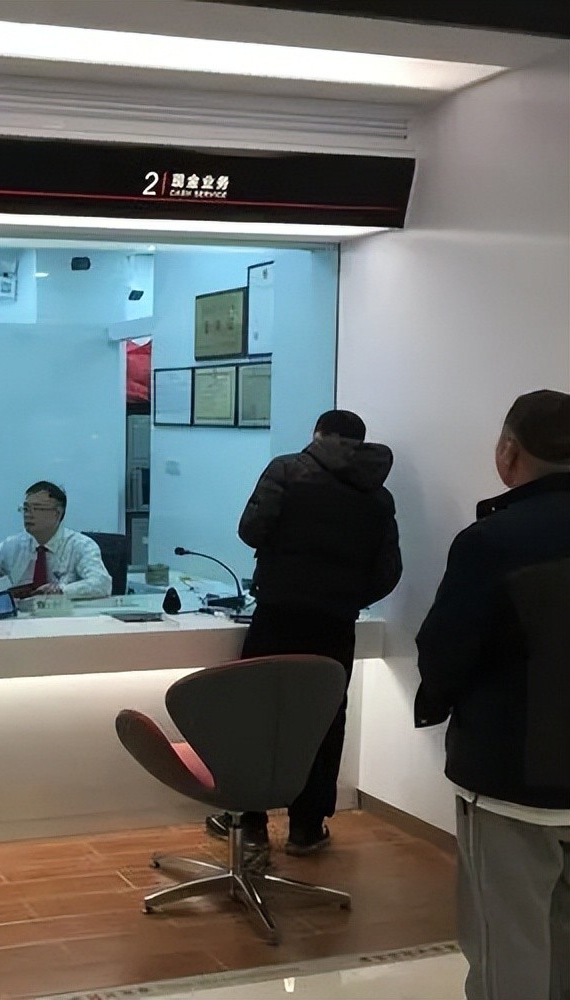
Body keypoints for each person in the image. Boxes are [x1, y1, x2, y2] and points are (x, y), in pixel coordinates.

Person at [415, 390, 570, 1000]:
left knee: (508, 947)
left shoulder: (491, 541)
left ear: (508, 453)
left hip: (511, 779)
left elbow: (446, 652)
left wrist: (439, 700)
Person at [206, 410, 402, 865]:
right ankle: (307, 827)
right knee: (324, 721)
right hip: (336, 625)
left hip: (277, 615)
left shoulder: (286, 471)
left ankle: (251, 823)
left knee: (258, 716)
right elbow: (388, 571)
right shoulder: (378, 494)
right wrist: (345, 598)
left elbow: (250, 530)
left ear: (317, 434)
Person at [0, 481, 111, 600]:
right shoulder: (13, 545)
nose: (28, 514)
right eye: (26, 508)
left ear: (57, 513)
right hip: (22, 617)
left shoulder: (80, 545)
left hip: (66, 616)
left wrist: (61, 591)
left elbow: (102, 583)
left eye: (37, 508)